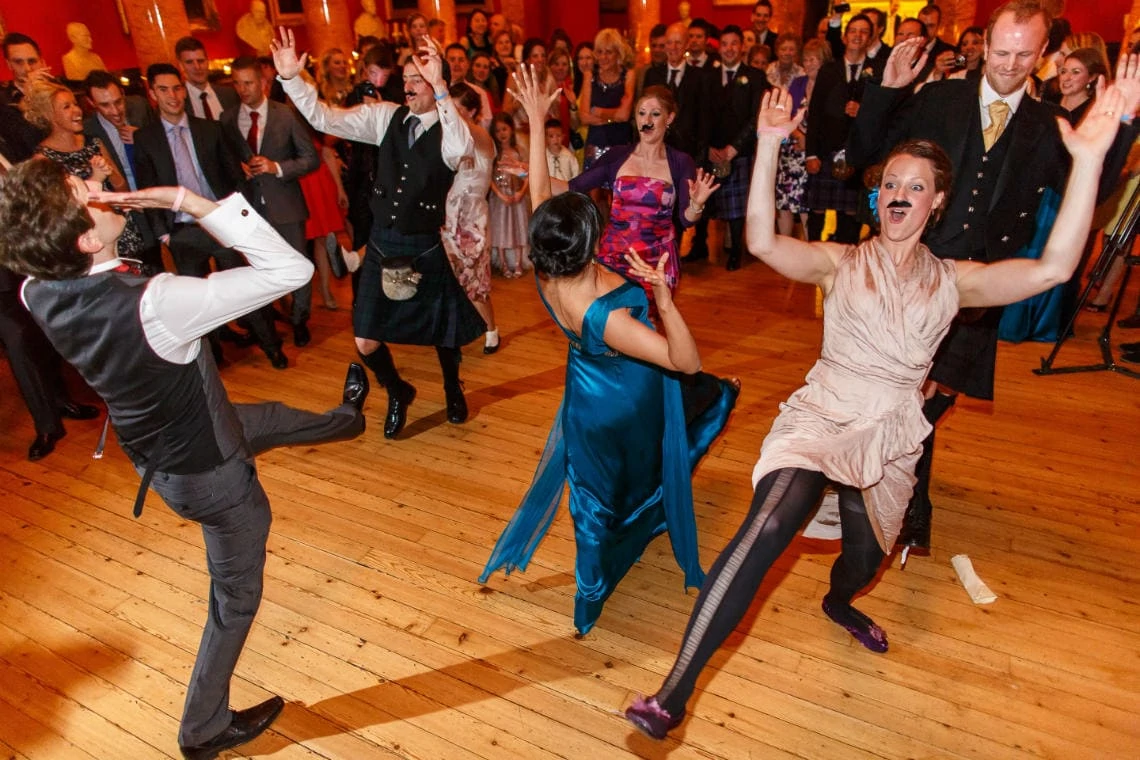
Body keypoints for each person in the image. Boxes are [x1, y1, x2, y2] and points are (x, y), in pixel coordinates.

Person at [624, 80, 1129, 740]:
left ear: (938, 201)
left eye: (916, 186)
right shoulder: (841, 261)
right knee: (769, 521)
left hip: (891, 433)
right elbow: (765, 242)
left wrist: (1090, 161)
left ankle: (839, 600)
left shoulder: (956, 280)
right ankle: (673, 692)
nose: (900, 193)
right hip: (823, 410)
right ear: (877, 191)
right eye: (892, 181)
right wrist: (771, 143)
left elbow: (1056, 267)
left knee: (863, 559)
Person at [0, 159, 370, 760]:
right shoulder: (158, 302)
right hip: (209, 474)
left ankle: (346, 423)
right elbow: (292, 269)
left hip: (168, 440)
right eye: (85, 191)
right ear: (86, 240)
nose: (101, 186)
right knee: (235, 601)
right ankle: (202, 730)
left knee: (271, 416)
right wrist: (195, 203)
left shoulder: (36, 287)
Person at [847, 2, 1140, 560]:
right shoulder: (939, 99)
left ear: (1045, 56)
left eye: (1023, 55)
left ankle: (897, 482)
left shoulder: (1047, 123)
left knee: (932, 398)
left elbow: (1095, 190)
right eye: (1000, 51)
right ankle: (909, 500)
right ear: (985, 41)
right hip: (912, 275)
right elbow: (861, 155)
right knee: (905, 391)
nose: (1008, 64)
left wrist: (1122, 125)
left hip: (980, 290)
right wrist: (885, 91)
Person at [479, 78, 737, 631]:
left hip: (584, 392)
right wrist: (664, 303)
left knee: (598, 494)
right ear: (595, 242)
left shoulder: (547, 273)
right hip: (626, 392)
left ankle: (593, 590)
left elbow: (541, 199)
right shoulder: (609, 313)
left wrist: (532, 119)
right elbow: (684, 363)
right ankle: (599, 582)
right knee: (624, 478)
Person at [273, 29, 485, 438]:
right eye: (405, 77)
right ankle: (397, 389)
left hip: (423, 246)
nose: (407, 85)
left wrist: (441, 88)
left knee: (444, 331)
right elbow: (324, 117)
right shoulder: (384, 116)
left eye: (418, 78)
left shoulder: (450, 127)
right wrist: (291, 80)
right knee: (365, 339)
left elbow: (459, 153)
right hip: (383, 243)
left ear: (436, 82)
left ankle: (451, 387)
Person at [134, 62, 287, 370]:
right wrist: (165, 234)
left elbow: (234, 177)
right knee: (197, 300)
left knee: (245, 286)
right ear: (153, 94)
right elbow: (148, 189)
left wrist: (240, 217)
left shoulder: (210, 129)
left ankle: (271, 347)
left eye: (177, 88)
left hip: (220, 223)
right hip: (182, 232)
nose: (172, 96)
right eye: (163, 89)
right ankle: (212, 358)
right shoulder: (145, 139)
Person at [221, 56, 320, 348]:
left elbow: (310, 158)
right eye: (236, 83)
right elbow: (225, 160)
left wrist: (276, 167)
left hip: (286, 204)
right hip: (250, 209)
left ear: (263, 83)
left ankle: (301, 318)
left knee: (298, 264)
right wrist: (237, 169)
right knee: (261, 269)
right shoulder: (227, 119)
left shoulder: (285, 115)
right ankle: (271, 320)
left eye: (248, 82)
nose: (242, 89)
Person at [443, 83, 500, 354]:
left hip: (473, 215)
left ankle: (491, 330)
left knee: (474, 276)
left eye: (458, 108)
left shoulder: (479, 134)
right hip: (451, 210)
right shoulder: (456, 135)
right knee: (449, 275)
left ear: (473, 110)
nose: (450, 114)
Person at [708, 25, 768, 272]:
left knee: (736, 207)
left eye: (734, 43)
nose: (729, 49)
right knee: (710, 200)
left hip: (739, 151)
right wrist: (708, 148)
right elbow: (703, 113)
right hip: (712, 150)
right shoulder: (707, 75)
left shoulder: (755, 77)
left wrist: (734, 148)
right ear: (719, 47)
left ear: (741, 46)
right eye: (725, 44)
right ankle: (702, 246)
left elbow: (756, 117)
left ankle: (736, 252)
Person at [488, 112, 530, 277]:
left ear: (511, 129)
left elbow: (527, 174)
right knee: (500, 230)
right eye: (497, 131)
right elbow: (489, 177)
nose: (502, 134)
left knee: (518, 228)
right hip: (499, 199)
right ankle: (503, 263)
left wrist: (521, 191)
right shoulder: (493, 153)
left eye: (504, 129)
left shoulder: (518, 151)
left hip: (516, 197)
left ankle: (518, 262)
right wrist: (499, 194)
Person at [176, 37, 239, 121]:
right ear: (180, 65)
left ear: (207, 61)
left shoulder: (230, 95)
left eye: (201, 61)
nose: (197, 67)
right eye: (189, 62)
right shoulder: (177, 101)